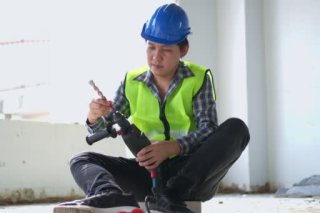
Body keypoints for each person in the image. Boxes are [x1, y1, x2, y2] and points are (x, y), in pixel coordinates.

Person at [54, 3, 250, 213]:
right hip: (147, 173)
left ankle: (169, 198)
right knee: (81, 160)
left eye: (166, 50)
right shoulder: (132, 80)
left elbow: (208, 129)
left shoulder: (198, 78)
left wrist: (172, 147)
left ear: (183, 50)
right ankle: (109, 195)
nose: (156, 56)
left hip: (190, 176)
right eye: (151, 47)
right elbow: (103, 126)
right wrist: (94, 116)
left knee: (237, 129)